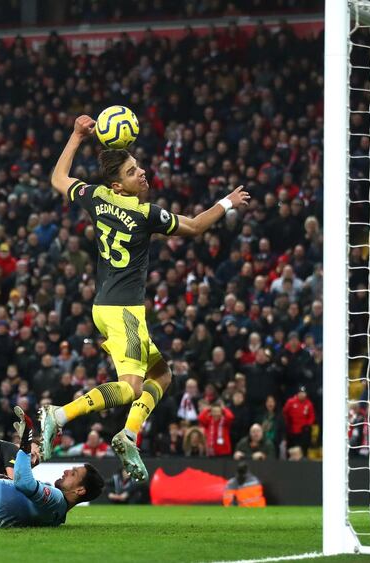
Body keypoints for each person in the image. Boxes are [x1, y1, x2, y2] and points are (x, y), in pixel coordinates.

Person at [41, 115, 249, 480]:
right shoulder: (145, 215)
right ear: (119, 186)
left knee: (162, 374)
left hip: (104, 308)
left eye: (138, 167)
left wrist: (75, 136)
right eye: (133, 171)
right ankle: (57, 415)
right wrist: (227, 202)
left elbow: (58, 178)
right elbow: (197, 226)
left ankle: (128, 433)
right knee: (131, 388)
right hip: (124, 312)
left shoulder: (97, 197)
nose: (142, 173)